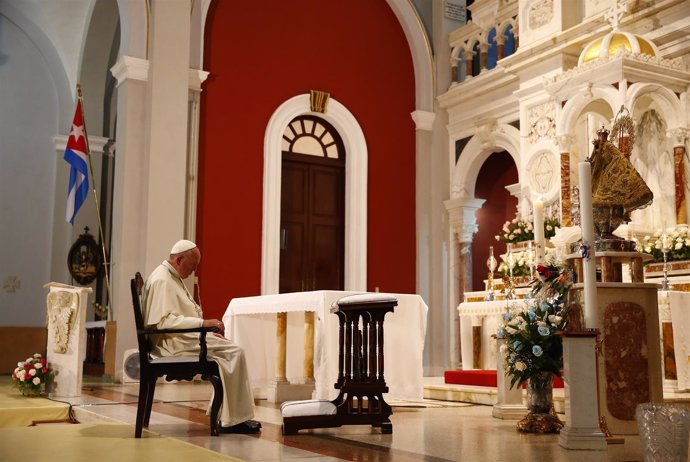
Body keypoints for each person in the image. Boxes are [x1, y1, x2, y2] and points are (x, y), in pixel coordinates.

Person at [142, 239, 261, 434]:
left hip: (181, 338)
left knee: (230, 350)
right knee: (235, 352)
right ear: (179, 260)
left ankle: (228, 415)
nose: (193, 271)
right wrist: (203, 325)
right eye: (192, 266)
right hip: (172, 344)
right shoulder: (162, 280)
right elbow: (163, 322)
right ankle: (233, 421)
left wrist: (207, 334)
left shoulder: (170, 276)